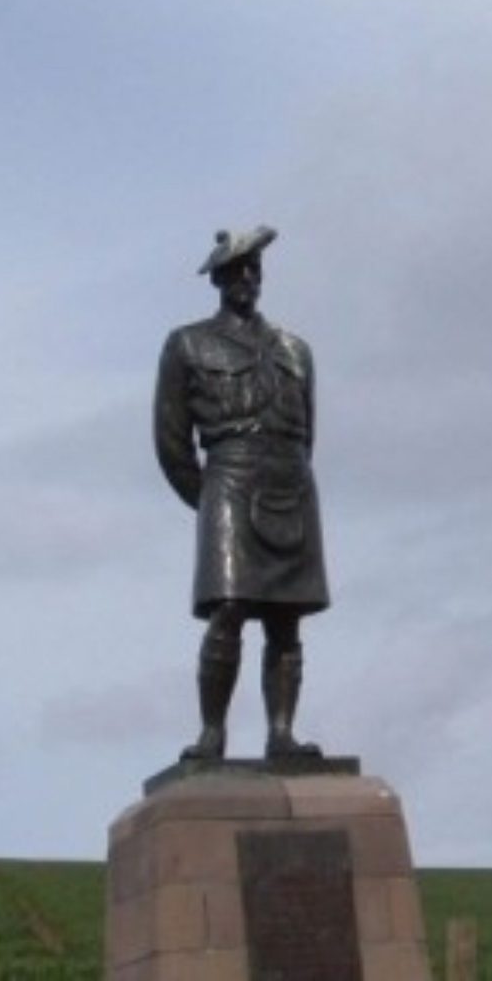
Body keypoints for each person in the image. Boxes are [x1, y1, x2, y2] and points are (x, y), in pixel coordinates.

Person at [154, 226, 329, 760]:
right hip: (228, 479)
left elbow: (310, 432)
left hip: (289, 480)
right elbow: (171, 440)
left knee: (287, 617)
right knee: (228, 609)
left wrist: (286, 471)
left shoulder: (294, 349)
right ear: (220, 279)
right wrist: (208, 497)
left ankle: (282, 733)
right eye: (237, 271)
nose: (248, 279)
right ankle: (213, 733)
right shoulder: (187, 344)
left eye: (255, 270)